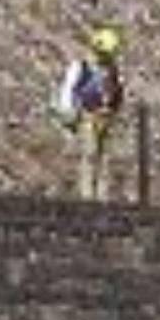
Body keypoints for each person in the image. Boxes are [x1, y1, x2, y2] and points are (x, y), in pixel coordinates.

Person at [58, 26, 125, 201]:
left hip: (107, 116)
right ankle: (87, 195)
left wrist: (115, 108)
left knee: (105, 158)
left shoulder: (112, 69)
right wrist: (69, 113)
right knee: (89, 155)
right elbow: (69, 89)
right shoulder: (82, 66)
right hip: (89, 115)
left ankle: (102, 195)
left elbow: (117, 90)